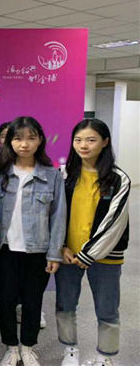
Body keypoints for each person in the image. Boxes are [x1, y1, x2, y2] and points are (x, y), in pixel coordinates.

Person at [56, 119, 130, 366]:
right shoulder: (65, 174)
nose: (83, 145)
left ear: (105, 142)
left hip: (105, 256)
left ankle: (105, 357)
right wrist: (61, 246)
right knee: (65, 305)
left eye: (91, 140)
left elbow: (114, 222)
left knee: (107, 310)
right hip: (68, 254)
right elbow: (55, 214)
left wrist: (88, 254)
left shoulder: (118, 179)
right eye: (78, 140)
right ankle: (70, 350)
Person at [0, 117, 67, 366]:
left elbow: (58, 216)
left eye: (31, 138)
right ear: (9, 142)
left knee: (33, 301)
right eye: (18, 138)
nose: (24, 144)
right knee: (6, 300)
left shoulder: (52, 175)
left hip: (38, 251)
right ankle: (11, 348)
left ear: (40, 140)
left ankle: (27, 346)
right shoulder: (0, 173)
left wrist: (54, 253)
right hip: (5, 249)